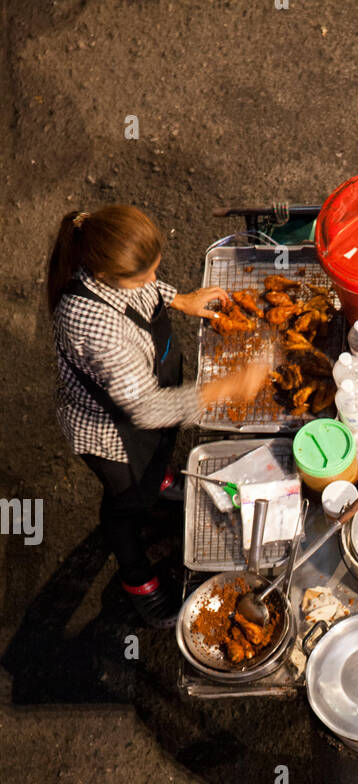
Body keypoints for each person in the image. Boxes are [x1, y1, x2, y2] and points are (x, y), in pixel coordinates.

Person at [48, 204, 269, 625]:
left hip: (151, 401)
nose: (153, 280)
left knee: (156, 462)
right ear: (103, 274)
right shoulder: (94, 327)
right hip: (113, 435)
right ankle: (137, 579)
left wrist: (178, 299)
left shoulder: (111, 258)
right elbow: (146, 409)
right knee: (126, 504)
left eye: (156, 270)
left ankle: (159, 477)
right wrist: (228, 387)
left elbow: (142, 286)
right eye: (143, 276)